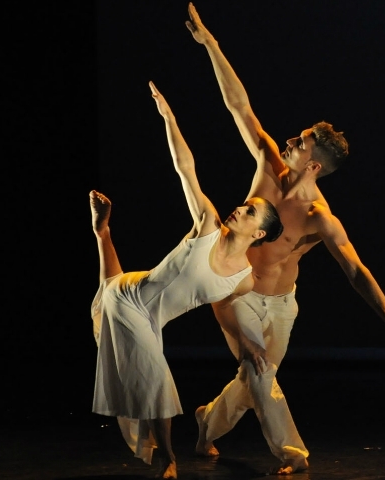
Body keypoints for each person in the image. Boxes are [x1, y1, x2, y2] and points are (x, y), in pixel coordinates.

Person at [185, 3, 385, 475]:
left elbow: (356, 271)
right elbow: (239, 107)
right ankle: (293, 454)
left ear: (313, 165)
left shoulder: (320, 219)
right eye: (295, 138)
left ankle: (207, 423)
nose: (289, 143)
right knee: (259, 372)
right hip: (236, 291)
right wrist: (211, 45)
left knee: (253, 380)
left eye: (300, 144)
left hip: (281, 305)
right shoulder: (267, 165)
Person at [89, 81, 284, 479]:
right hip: (124, 300)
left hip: (139, 309)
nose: (239, 209)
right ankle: (168, 459)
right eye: (244, 205)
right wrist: (169, 117)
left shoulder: (243, 280)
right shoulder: (207, 225)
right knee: (157, 381)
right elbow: (185, 167)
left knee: (150, 379)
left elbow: (224, 311)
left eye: (249, 212)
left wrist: (247, 342)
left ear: (259, 233)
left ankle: (101, 232)